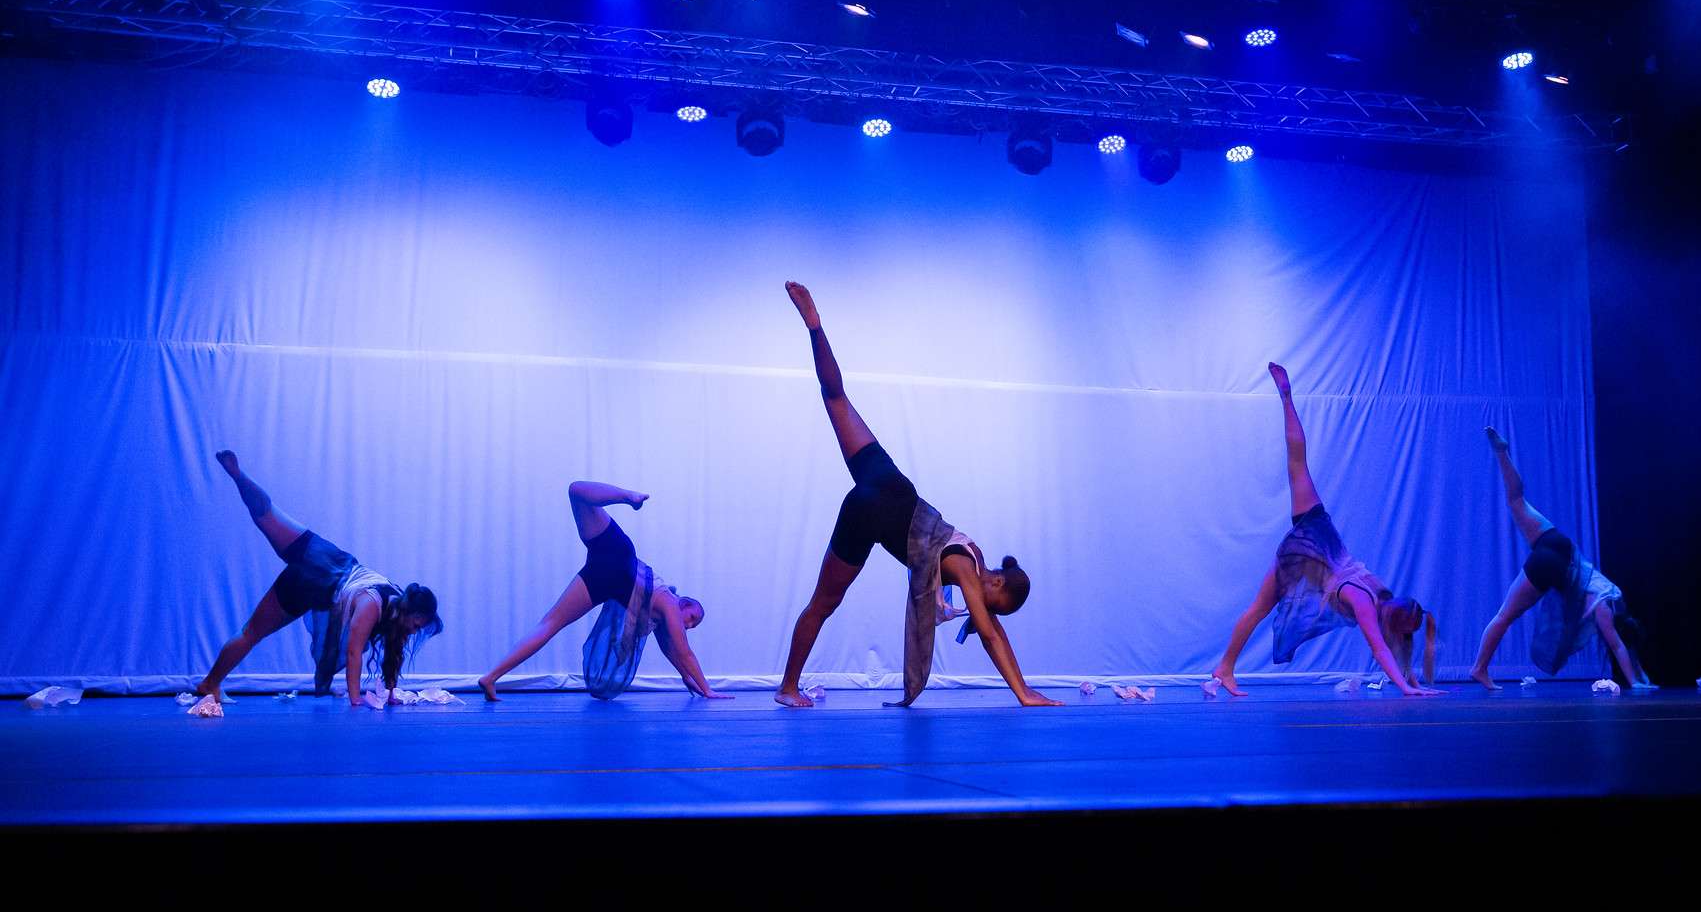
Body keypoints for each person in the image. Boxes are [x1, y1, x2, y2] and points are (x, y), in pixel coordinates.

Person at [775, 281, 1057, 709]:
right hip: (872, 512)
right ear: (994, 581)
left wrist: (1024, 683)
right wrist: (1022, 692)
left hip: (891, 483)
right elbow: (989, 633)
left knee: (835, 397)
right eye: (994, 601)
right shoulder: (965, 566)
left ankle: (815, 325)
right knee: (822, 603)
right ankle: (787, 688)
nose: (986, 609)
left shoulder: (972, 550)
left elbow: (993, 627)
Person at [1211, 364, 1442, 697]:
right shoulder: (1365, 599)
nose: (1404, 639)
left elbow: (1397, 642)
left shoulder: (1388, 602)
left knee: (1260, 607)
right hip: (1313, 539)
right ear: (1395, 617)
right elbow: (1379, 647)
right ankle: (1287, 398)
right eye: (1406, 633)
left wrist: (1413, 681)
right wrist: (1406, 689)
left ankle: (1225, 667)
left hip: (1313, 551)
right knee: (1297, 464)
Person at [195, 449, 439, 714]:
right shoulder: (372, 606)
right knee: (251, 631)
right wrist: (355, 700)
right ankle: (210, 683)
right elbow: (354, 653)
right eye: (416, 624)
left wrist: (391, 693)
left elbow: (394, 655)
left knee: (268, 516)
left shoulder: (401, 606)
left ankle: (211, 683)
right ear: (408, 612)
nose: (415, 630)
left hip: (327, 556)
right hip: (314, 580)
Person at [478, 483, 722, 701]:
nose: (689, 625)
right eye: (692, 617)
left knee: (549, 624)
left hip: (603, 577)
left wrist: (686, 678)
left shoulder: (659, 618)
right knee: (577, 491)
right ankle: (629, 497)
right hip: (617, 556)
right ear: (683, 603)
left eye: (693, 626)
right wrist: (707, 689)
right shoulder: (668, 602)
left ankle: (491, 677)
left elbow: (671, 650)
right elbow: (684, 651)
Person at [1468, 427, 1649, 691]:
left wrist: (1644, 678)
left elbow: (1627, 643)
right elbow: (1619, 644)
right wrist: (1636, 682)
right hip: (1557, 567)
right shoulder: (1605, 611)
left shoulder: (1616, 597)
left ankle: (1501, 453)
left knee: (1516, 499)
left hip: (1557, 544)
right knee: (1504, 616)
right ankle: (1478, 668)